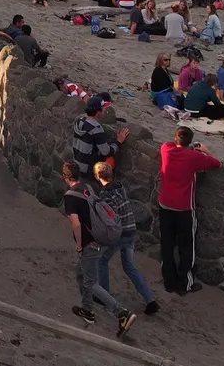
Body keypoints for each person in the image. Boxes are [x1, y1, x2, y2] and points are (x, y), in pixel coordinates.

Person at [61, 163, 137, 334]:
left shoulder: (70, 197)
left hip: (90, 244)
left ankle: (122, 312)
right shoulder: (86, 187)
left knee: (90, 282)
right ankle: (87, 309)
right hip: (101, 239)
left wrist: (80, 245)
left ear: (65, 177)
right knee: (80, 274)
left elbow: (76, 223)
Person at [158, 126, 221, 294]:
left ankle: (168, 281)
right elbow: (217, 163)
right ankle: (184, 284)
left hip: (165, 203)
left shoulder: (166, 150)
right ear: (190, 141)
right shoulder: (194, 157)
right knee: (187, 246)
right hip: (184, 207)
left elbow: (170, 144)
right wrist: (205, 150)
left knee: (167, 243)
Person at [93, 161, 158, 316]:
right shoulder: (120, 187)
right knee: (129, 267)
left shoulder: (105, 194)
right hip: (131, 230)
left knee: (102, 261)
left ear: (97, 176)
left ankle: (105, 295)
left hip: (120, 234)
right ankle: (150, 300)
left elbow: (111, 216)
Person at [70, 94, 127, 176]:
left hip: (77, 163)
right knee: (109, 161)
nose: (105, 109)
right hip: (87, 169)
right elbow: (106, 152)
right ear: (98, 111)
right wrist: (118, 142)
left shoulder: (80, 120)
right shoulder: (96, 129)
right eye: (103, 108)